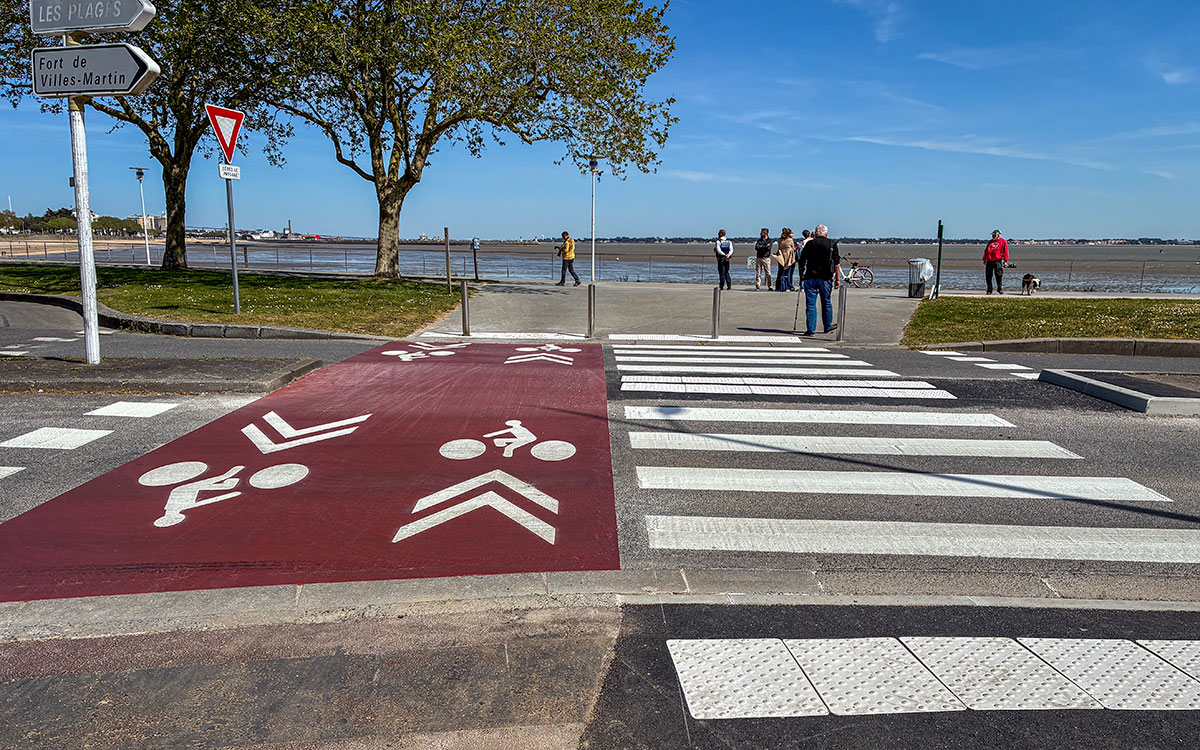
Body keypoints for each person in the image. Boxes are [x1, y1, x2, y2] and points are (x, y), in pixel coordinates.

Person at [796, 224, 842, 335]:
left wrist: (801, 274)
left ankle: (811, 330)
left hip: (810, 277)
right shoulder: (832, 244)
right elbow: (837, 263)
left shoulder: (810, 244)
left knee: (811, 304)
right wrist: (837, 279)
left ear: (815, 233)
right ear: (826, 234)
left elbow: (801, 261)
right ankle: (828, 326)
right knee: (826, 302)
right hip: (825, 277)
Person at [983, 229, 1009, 294]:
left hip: (998, 261)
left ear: (998, 235)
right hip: (989, 261)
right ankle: (989, 289)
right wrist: (984, 259)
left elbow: (1006, 251)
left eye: (994, 235)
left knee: (999, 275)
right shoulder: (990, 242)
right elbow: (986, 251)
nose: (993, 237)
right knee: (988, 276)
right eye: (992, 235)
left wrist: (1005, 261)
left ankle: (999, 288)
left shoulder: (1003, 241)